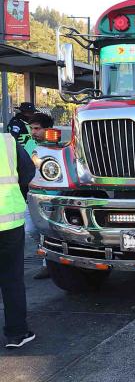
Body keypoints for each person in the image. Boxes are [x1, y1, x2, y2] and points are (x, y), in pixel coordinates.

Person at [0, 132, 36, 349]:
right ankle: (16, 333)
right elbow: (28, 172)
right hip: (9, 221)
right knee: (12, 279)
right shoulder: (8, 141)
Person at [24, 113, 54, 280]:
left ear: (48, 129)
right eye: (32, 128)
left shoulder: (55, 146)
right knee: (31, 230)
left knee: (47, 231)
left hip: (49, 196)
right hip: (31, 195)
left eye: (37, 128)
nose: (33, 132)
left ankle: (48, 264)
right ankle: (48, 259)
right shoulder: (29, 144)